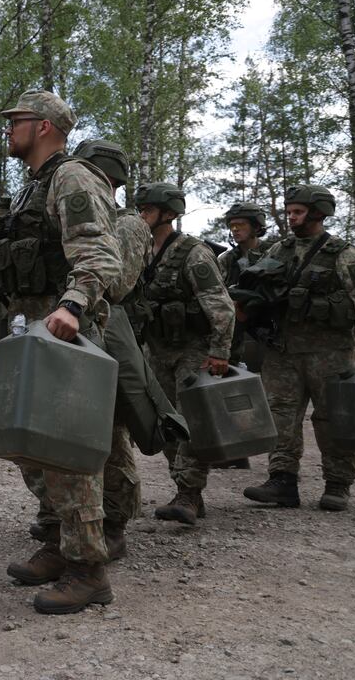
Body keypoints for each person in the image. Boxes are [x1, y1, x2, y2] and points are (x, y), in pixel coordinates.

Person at [0, 91, 123, 615]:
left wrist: (72, 304)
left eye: (16, 121)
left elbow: (98, 253)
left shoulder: (73, 178)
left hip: (65, 330)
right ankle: (57, 544)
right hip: (35, 331)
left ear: (44, 126)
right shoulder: (34, 188)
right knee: (33, 448)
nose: (9, 129)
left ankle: (89, 572)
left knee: (66, 454)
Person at [14, 140, 143, 560]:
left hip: (90, 331)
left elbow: (117, 282)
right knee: (45, 436)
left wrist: (74, 300)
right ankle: (61, 530)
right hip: (49, 329)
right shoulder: (47, 194)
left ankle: (109, 525)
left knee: (101, 436)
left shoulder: (125, 223)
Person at [242, 185, 355, 511]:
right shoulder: (279, 251)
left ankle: (337, 484)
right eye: (289, 211)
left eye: (298, 212)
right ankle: (282, 480)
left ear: (318, 213)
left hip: (330, 350)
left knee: (332, 418)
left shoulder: (342, 253)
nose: (291, 217)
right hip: (283, 349)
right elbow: (255, 288)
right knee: (280, 414)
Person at [135, 182, 235, 525]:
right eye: (141, 209)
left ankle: (188, 493)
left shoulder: (194, 253)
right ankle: (187, 490)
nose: (142, 214)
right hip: (157, 349)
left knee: (189, 418)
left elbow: (222, 307)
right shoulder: (140, 250)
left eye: (148, 210)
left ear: (169, 214)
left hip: (194, 348)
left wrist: (220, 351)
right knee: (166, 422)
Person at [218, 201, 272, 369]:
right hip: (236, 326)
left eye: (240, 224)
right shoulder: (227, 259)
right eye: (232, 225)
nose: (235, 229)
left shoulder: (273, 252)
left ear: (256, 227)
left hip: (268, 323)